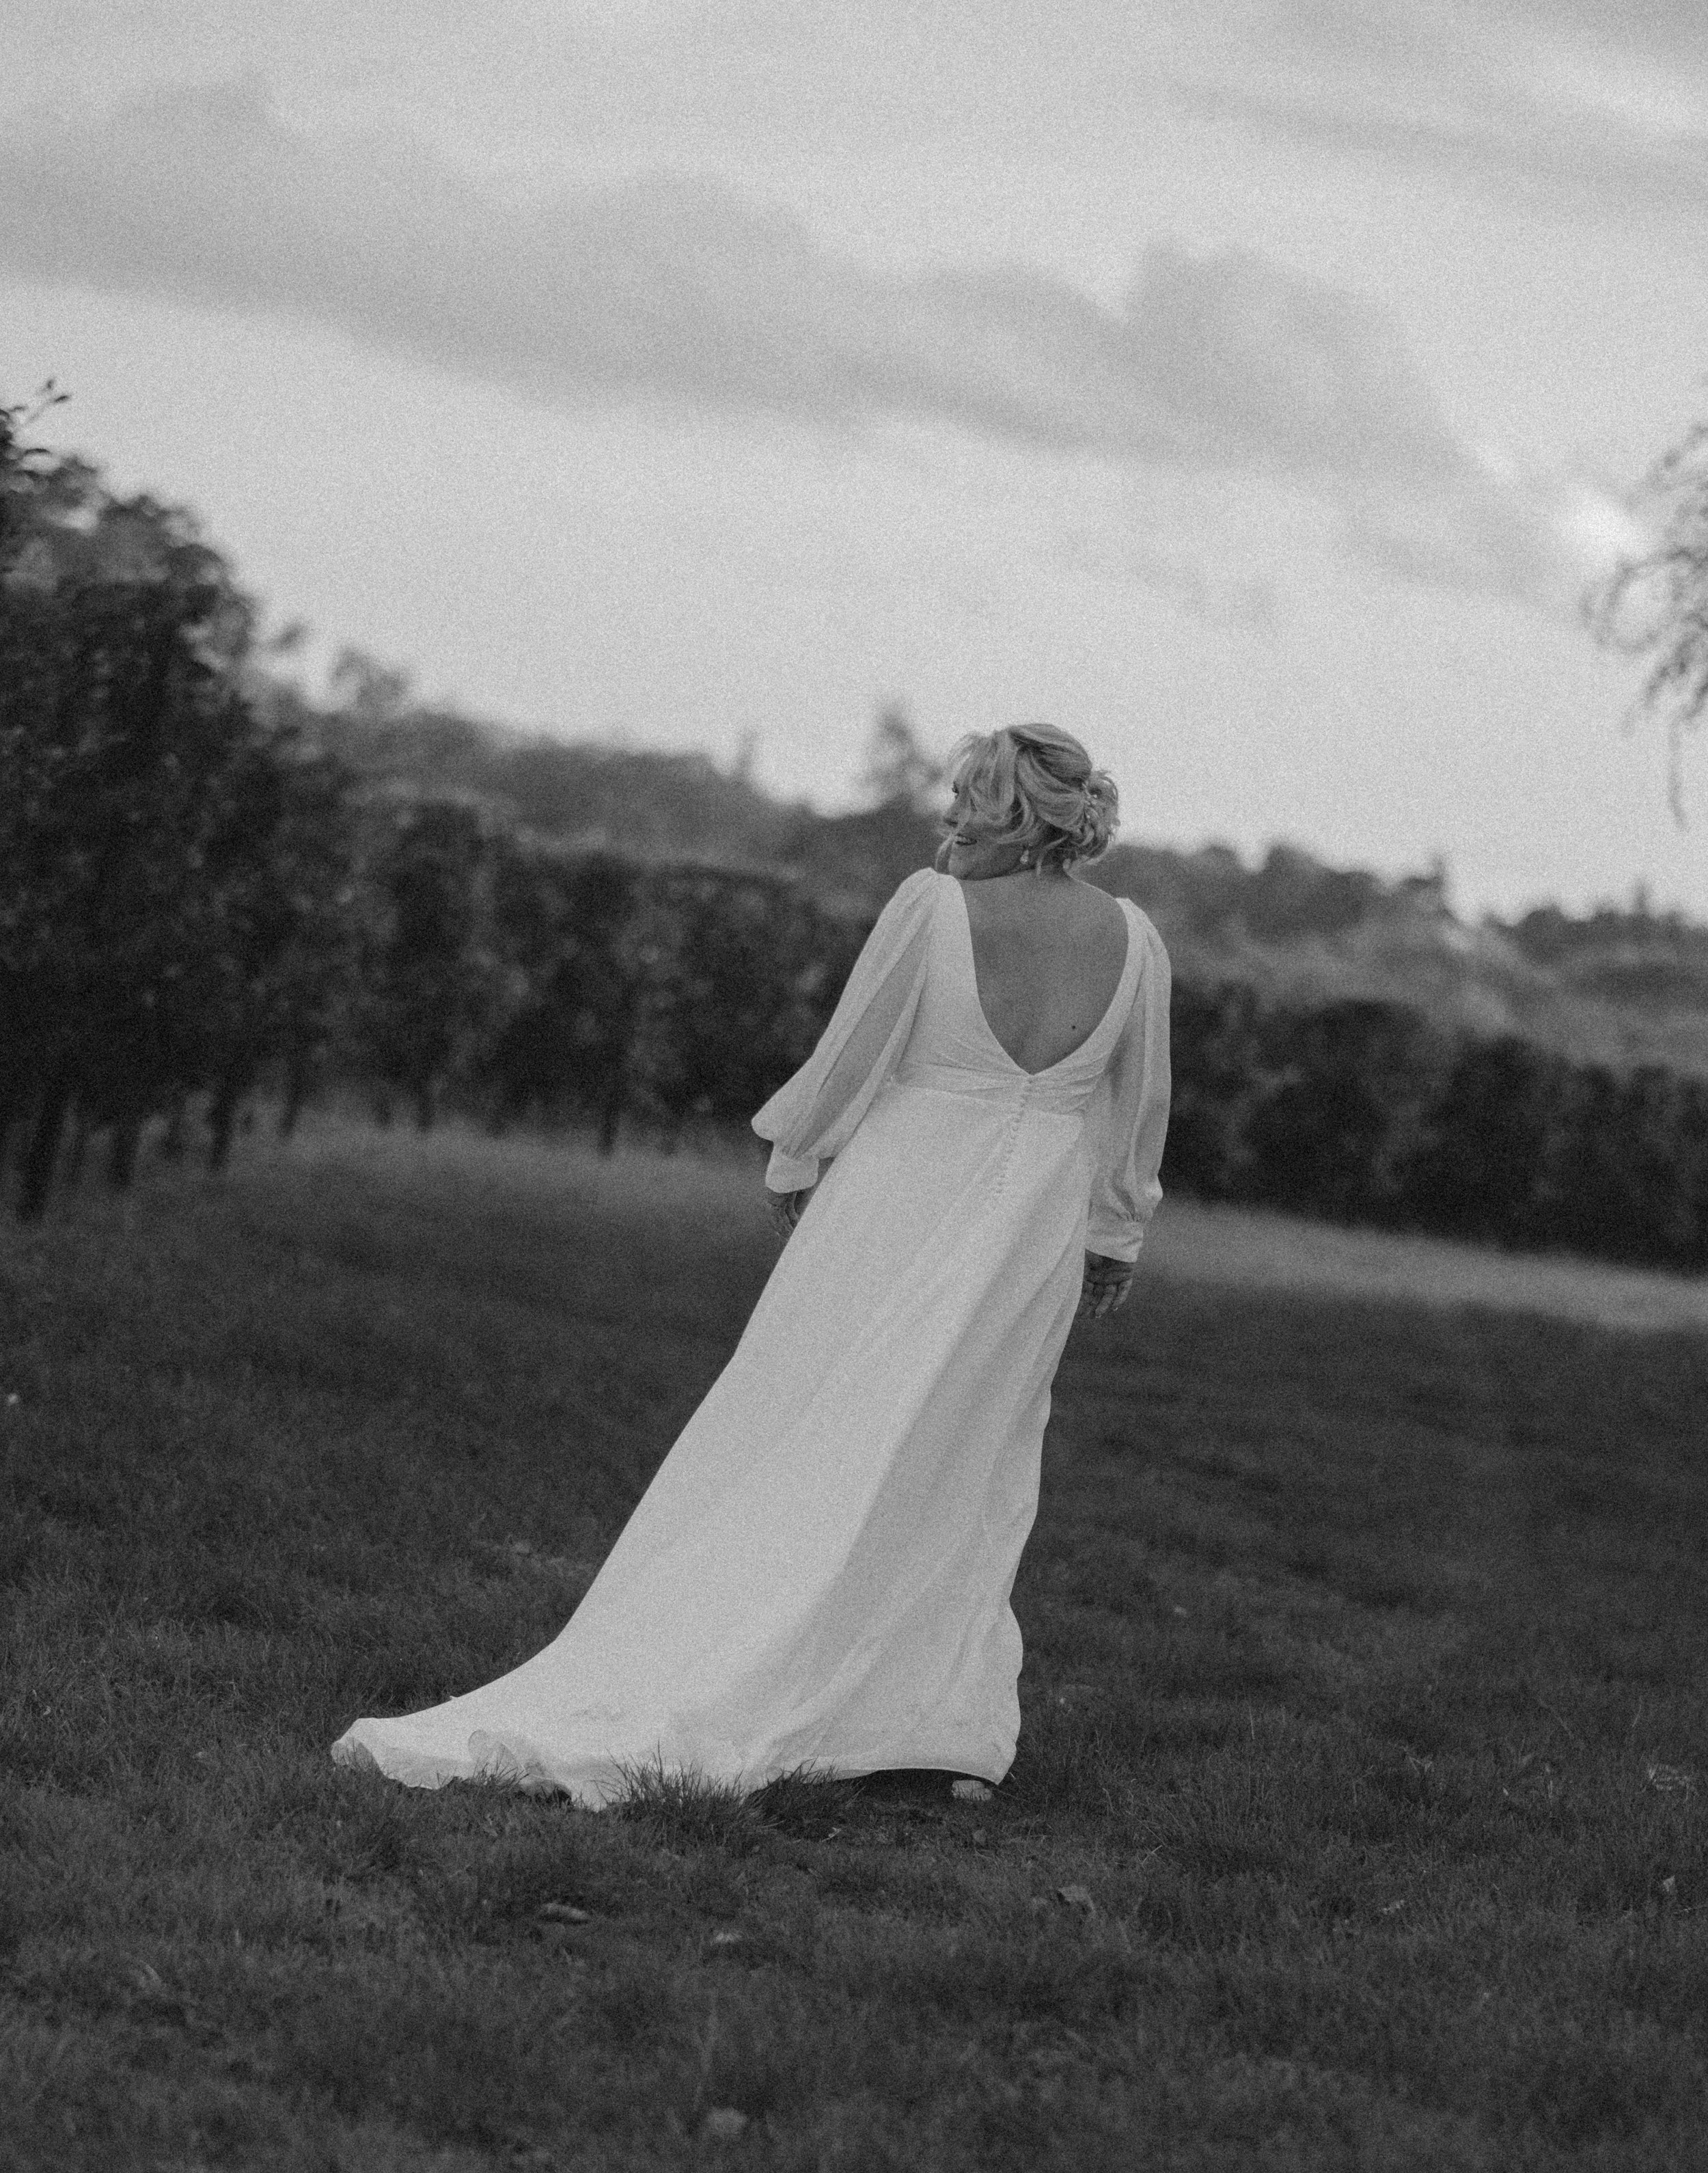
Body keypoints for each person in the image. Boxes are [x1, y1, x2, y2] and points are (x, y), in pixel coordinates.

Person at [330, 720, 1172, 1804]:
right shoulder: (1137, 941)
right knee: (966, 1455)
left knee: (809, 1430)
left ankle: (798, 1681)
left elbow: (851, 1054)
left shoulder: (935, 907)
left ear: (1017, 814)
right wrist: (1116, 1232)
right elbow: (1135, 1106)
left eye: (971, 798)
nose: (951, 818)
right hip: (1036, 1228)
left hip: (898, 1202)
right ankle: (922, 1727)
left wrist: (798, 1159)